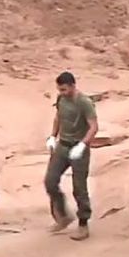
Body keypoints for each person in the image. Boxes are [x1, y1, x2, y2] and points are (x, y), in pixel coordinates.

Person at [44, 71, 97, 241]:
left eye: (65, 89)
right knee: (50, 181)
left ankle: (83, 223)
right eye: (60, 90)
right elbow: (58, 117)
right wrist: (53, 136)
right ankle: (63, 216)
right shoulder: (61, 99)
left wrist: (83, 144)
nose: (62, 93)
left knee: (79, 187)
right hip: (63, 146)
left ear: (73, 86)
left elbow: (93, 126)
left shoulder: (84, 102)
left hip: (78, 148)